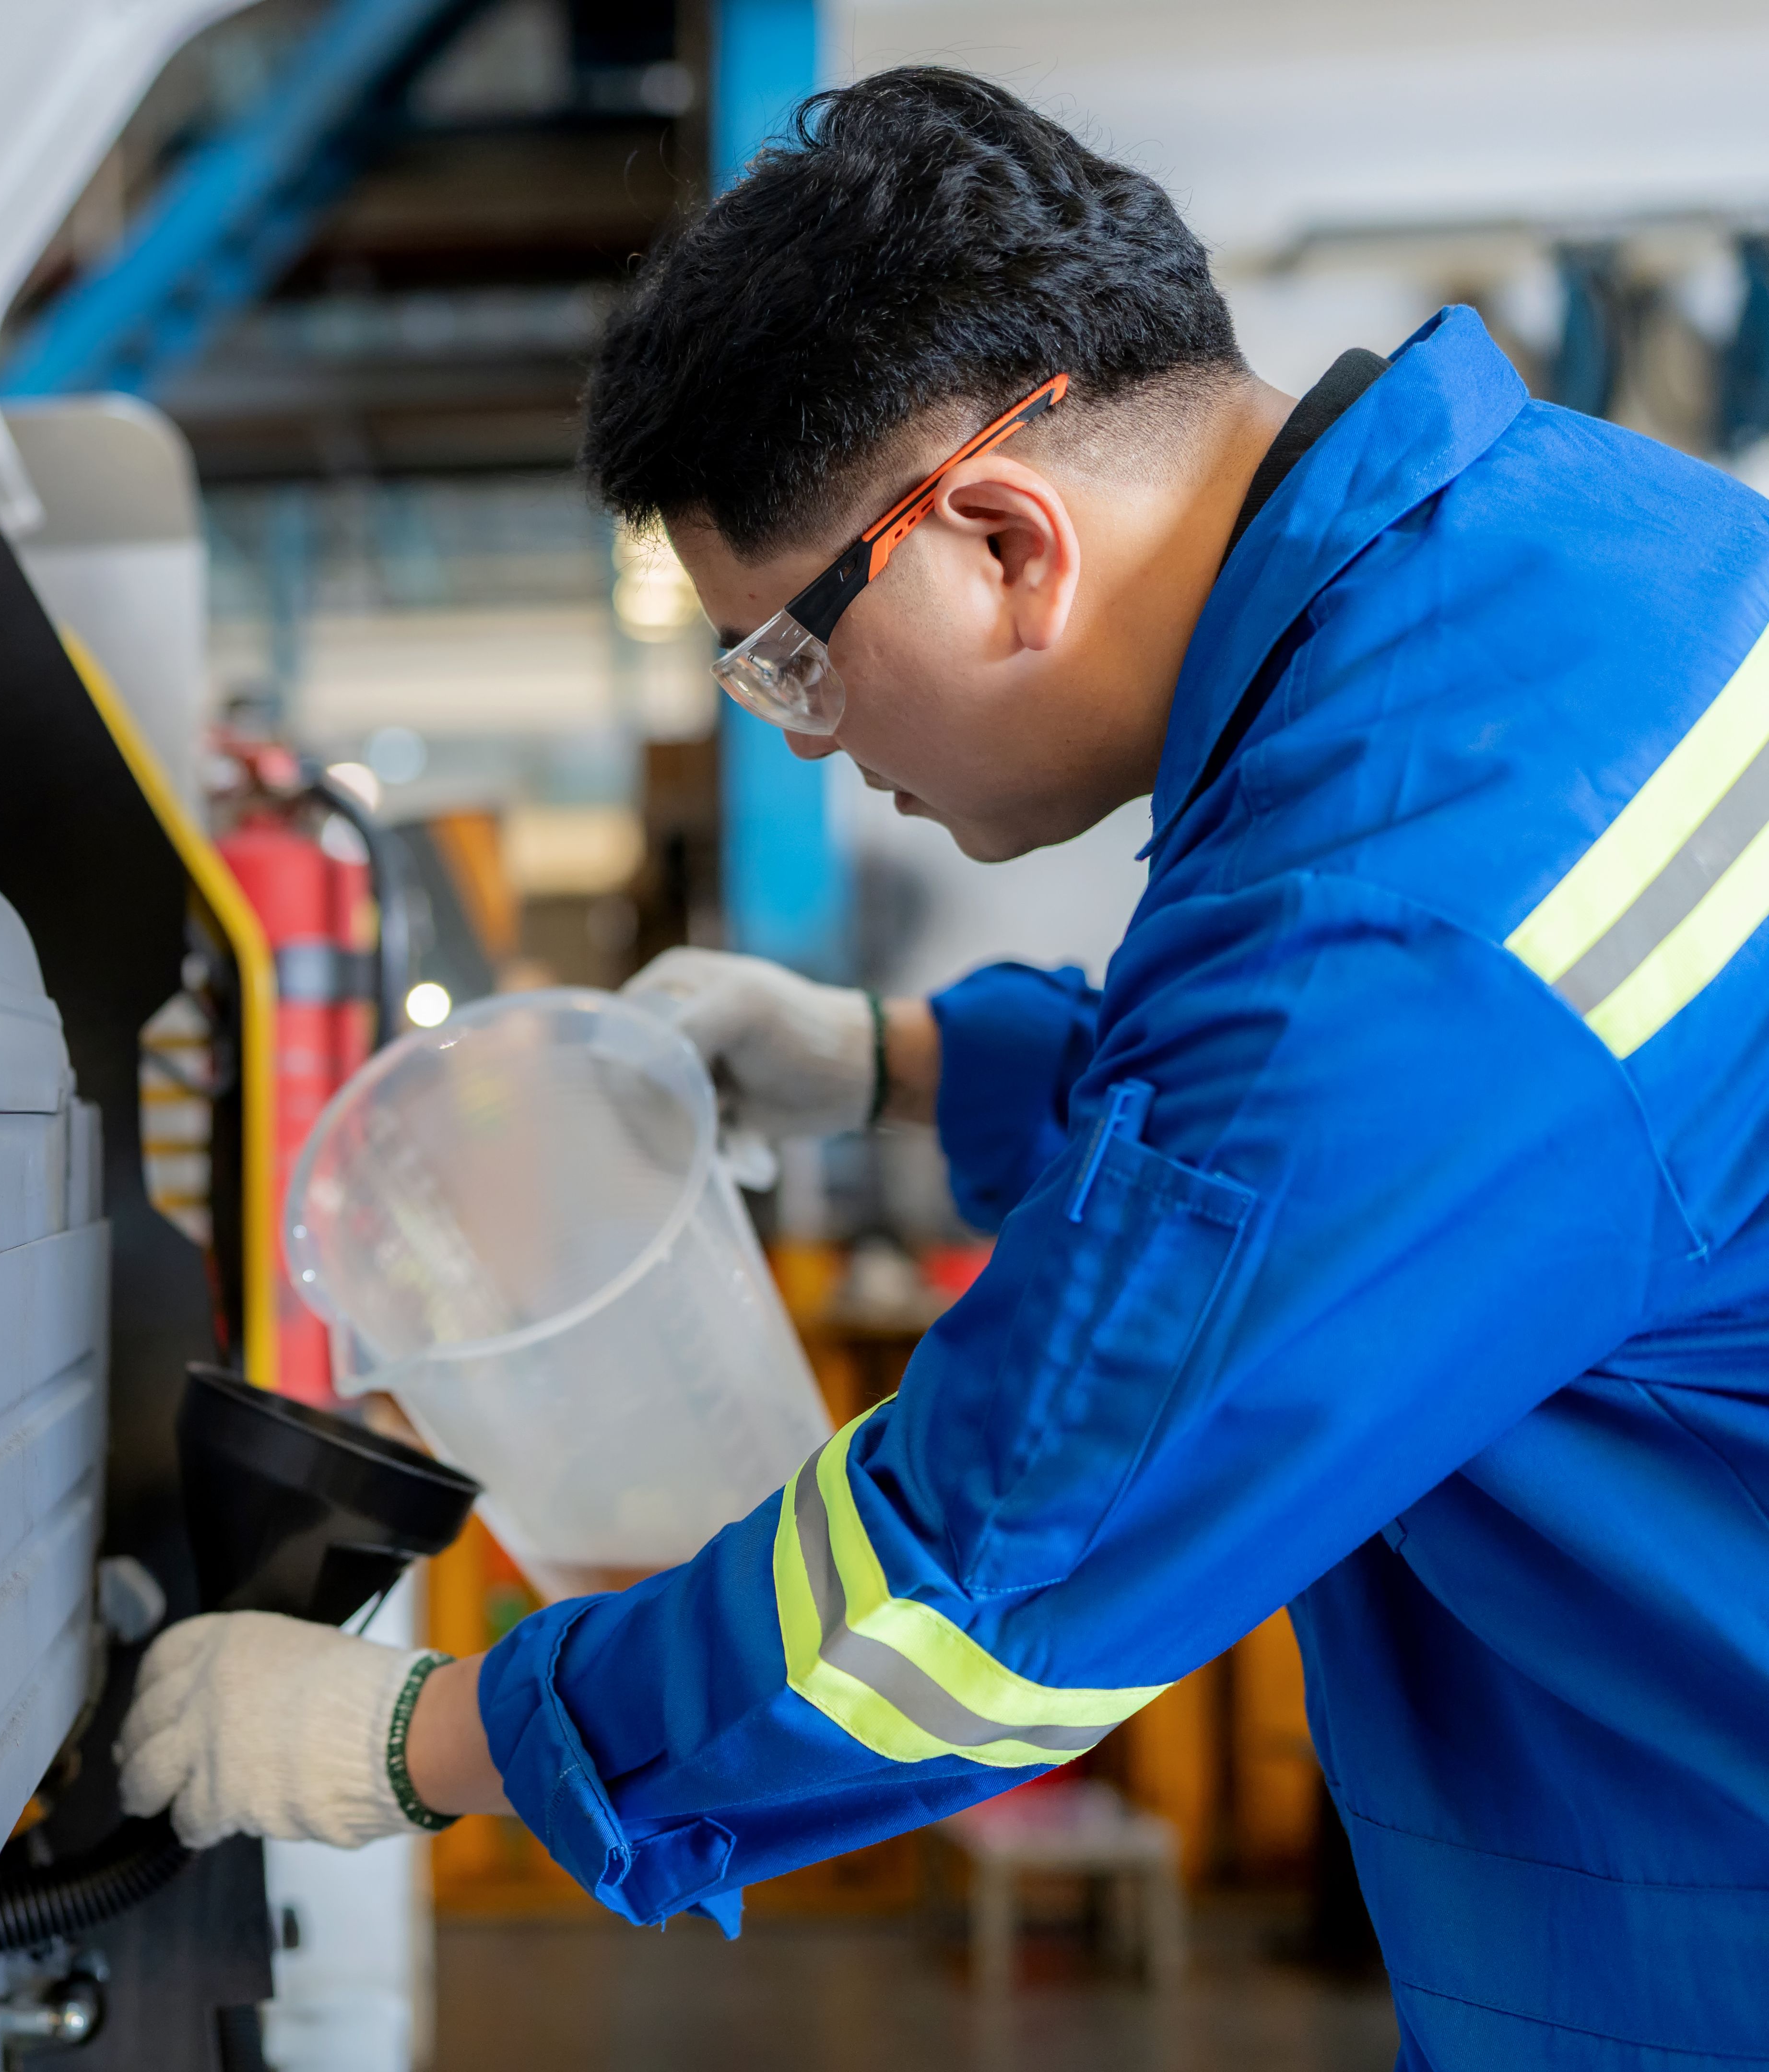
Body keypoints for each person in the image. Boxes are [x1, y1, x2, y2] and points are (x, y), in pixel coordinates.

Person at [116, 67, 1769, 2069]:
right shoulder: (1561, 561)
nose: (808, 736)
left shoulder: (1392, 942)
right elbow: (1412, 1150)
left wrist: (415, 1734)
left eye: (792, 655)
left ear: (999, 539)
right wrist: (897, 1065)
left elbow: (978, 1590)